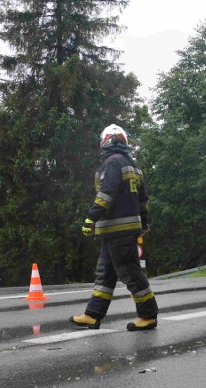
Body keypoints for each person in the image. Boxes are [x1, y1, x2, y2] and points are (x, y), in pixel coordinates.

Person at [70, 124, 158, 331]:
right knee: (105, 274)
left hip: (117, 229)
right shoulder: (133, 165)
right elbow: (143, 201)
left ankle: (148, 315)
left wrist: (90, 218)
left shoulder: (111, 163)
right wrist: (143, 224)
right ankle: (93, 314)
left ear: (105, 142)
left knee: (130, 272)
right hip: (118, 230)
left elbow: (106, 194)